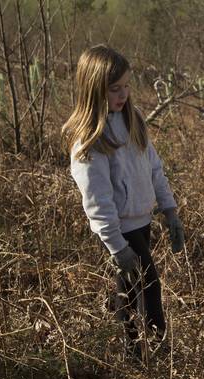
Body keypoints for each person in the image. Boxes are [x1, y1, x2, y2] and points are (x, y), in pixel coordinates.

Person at [62, 45, 184, 354]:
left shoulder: (133, 119)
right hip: (119, 230)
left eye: (127, 86)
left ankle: (131, 357)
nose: (124, 94)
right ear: (93, 90)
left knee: (128, 293)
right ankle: (157, 355)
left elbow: (154, 167)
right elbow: (97, 201)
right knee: (150, 287)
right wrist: (118, 248)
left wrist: (169, 210)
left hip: (142, 220)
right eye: (115, 89)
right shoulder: (89, 141)